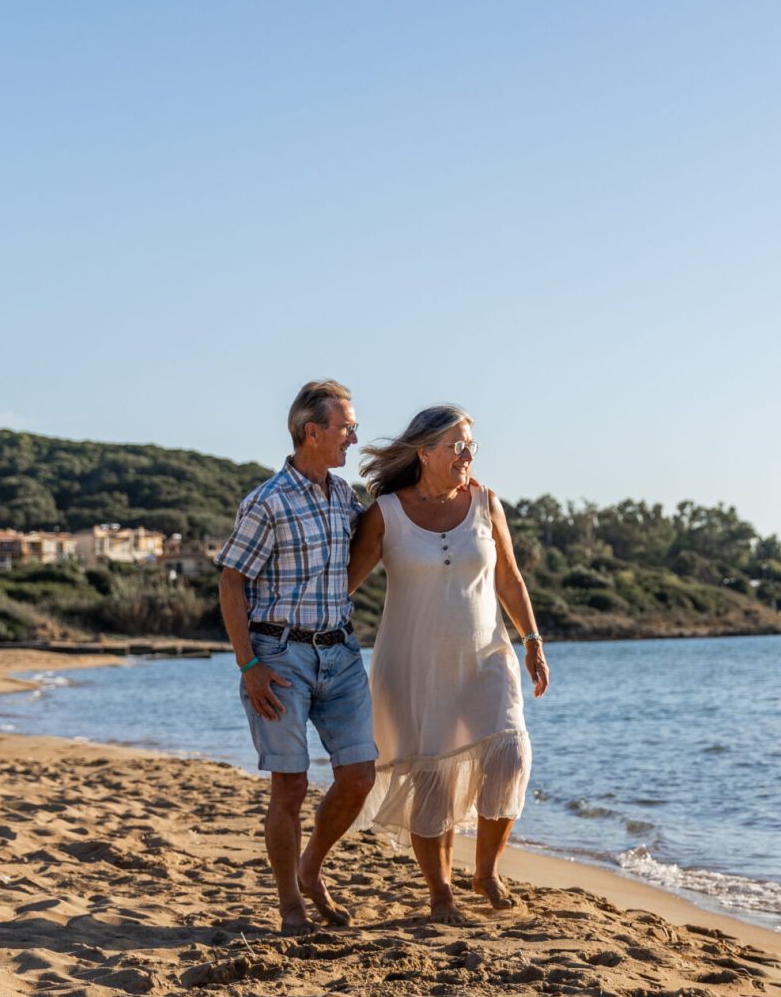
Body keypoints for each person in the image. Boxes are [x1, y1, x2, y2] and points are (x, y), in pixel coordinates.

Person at [348, 404, 548, 924]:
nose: (467, 455)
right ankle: (440, 894)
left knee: (510, 756)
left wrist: (532, 639)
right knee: (431, 776)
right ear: (425, 452)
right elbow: (343, 587)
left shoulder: (486, 502)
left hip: (486, 656)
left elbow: (509, 578)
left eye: (470, 446)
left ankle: (485, 871)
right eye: (457, 445)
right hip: (414, 664)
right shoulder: (385, 514)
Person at [216, 379, 375, 935]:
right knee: (291, 784)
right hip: (278, 658)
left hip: (342, 652)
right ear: (313, 432)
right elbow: (231, 583)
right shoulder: (267, 502)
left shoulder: (343, 497)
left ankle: (312, 868)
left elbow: (368, 549)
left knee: (359, 776)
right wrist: (248, 665)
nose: (353, 437)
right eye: (346, 427)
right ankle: (290, 905)